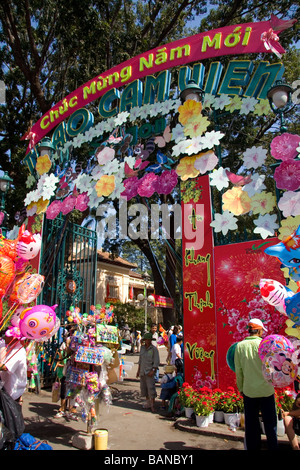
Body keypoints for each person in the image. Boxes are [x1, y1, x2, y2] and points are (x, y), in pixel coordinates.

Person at [234, 318, 278, 450]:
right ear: (258, 331)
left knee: (252, 425)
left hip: (249, 391)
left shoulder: (240, 346)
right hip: (267, 390)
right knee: (271, 425)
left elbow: (239, 371)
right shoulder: (266, 345)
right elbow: (273, 367)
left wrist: (241, 388)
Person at [0, 332, 27, 405]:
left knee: (11, 415)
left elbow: (6, 367)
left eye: (7, 335)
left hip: (13, 393)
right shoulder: (10, 348)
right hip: (7, 389)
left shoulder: (18, 351)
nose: (4, 337)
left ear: (13, 338)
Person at [136, 332, 160, 413]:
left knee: (151, 389)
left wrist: (153, 370)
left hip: (149, 371)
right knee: (144, 388)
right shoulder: (142, 348)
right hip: (143, 371)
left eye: (149, 340)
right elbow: (140, 360)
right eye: (147, 340)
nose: (148, 341)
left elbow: (156, 361)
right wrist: (138, 371)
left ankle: (153, 405)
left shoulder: (154, 349)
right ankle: (148, 403)